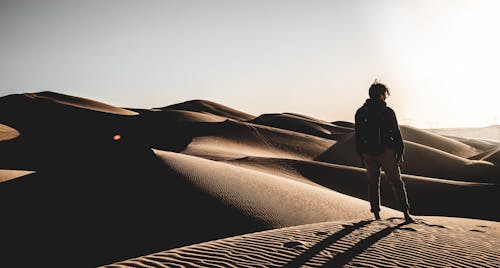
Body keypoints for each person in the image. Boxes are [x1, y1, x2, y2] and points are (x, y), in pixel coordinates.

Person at [354, 81, 414, 223]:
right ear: (381, 95)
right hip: (386, 152)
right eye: (385, 94)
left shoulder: (361, 112)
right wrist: (400, 152)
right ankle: (406, 214)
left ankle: (376, 215)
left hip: (368, 153)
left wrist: (361, 154)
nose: (386, 97)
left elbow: (358, 136)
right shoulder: (387, 111)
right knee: (397, 182)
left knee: (373, 183)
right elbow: (396, 133)